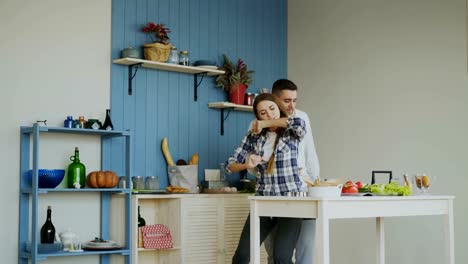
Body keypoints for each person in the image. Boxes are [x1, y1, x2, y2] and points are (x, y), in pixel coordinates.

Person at [228, 93, 306, 264]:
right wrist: (247, 164)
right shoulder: (254, 136)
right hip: (263, 201)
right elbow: (231, 165)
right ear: (257, 116)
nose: (269, 114)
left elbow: (296, 123)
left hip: (291, 202)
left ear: (278, 107)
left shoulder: (292, 130)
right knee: (241, 257)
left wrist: (264, 123)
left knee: (281, 258)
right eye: (263, 113)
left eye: (272, 109)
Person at [262, 79, 320, 264]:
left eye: (295, 100)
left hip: (303, 189)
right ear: (274, 99)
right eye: (287, 100)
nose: (292, 105)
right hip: (274, 194)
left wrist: (315, 182)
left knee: (306, 251)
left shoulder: (302, 117)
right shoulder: (263, 123)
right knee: (276, 255)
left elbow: (310, 151)